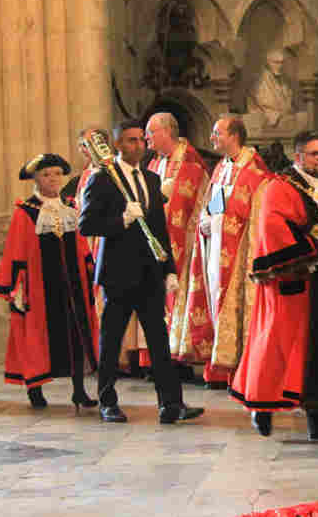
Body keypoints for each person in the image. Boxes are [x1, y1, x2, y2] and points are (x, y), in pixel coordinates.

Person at [233, 132, 318, 440]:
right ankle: (262, 406)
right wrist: (316, 248)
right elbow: (274, 229)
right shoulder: (279, 188)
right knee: (279, 348)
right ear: (298, 158)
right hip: (295, 280)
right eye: (314, 154)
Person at [78, 120, 204, 424]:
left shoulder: (150, 179)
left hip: (149, 273)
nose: (138, 146)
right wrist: (120, 220)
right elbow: (86, 225)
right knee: (111, 341)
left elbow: (159, 230)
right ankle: (108, 402)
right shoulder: (103, 179)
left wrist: (169, 270)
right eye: (131, 141)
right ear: (118, 145)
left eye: (141, 141)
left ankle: (171, 404)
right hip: (117, 273)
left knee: (160, 342)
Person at [0, 153, 100, 411]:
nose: (52, 179)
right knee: (36, 334)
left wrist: (90, 273)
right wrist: (15, 287)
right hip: (39, 285)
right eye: (45, 175)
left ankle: (79, 390)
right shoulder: (26, 211)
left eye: (56, 174)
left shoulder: (71, 206)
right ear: (36, 179)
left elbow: (80, 245)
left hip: (72, 283)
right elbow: (16, 251)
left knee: (76, 334)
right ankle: (35, 388)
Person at [177, 115, 269, 398]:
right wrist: (207, 219)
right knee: (214, 298)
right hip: (214, 249)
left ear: (235, 136)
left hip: (239, 256)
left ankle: (238, 370)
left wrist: (216, 222)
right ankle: (219, 367)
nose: (212, 138)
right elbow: (215, 202)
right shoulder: (221, 167)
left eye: (217, 133)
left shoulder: (255, 173)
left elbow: (248, 217)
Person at [144, 112, 211, 384]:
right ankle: (162, 358)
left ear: (166, 132)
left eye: (151, 132)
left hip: (183, 243)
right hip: (158, 244)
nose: (147, 137)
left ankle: (180, 357)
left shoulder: (190, 162)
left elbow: (187, 205)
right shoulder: (156, 162)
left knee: (179, 298)